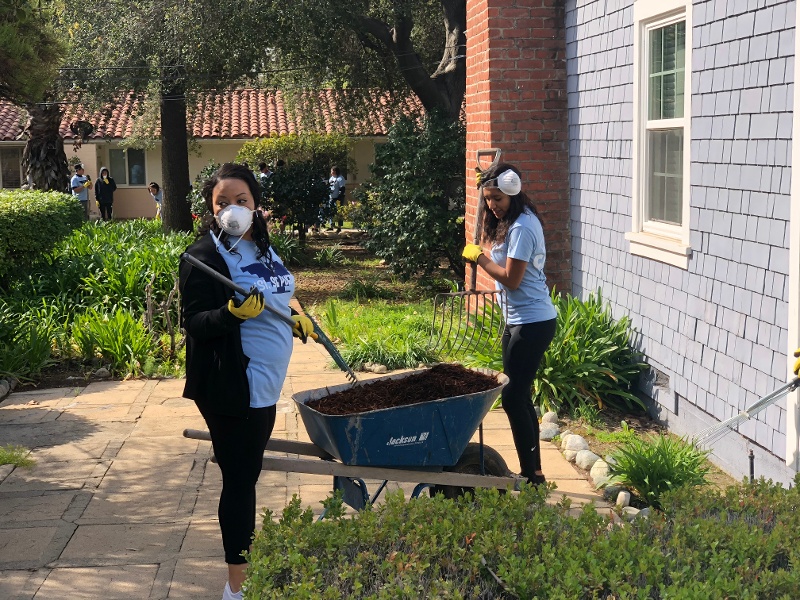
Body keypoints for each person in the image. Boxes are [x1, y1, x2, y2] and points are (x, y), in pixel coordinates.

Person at [178, 163, 314, 600]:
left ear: (256, 206)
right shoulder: (204, 257)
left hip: (266, 383)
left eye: (241, 201)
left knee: (246, 473)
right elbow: (195, 322)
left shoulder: (263, 247)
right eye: (222, 203)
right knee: (240, 480)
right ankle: (236, 588)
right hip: (234, 386)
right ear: (210, 209)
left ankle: (242, 578)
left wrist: (294, 317)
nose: (232, 209)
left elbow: (274, 291)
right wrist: (230, 314)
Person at [461, 162, 557, 487]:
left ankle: (532, 475)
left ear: (513, 194)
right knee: (518, 395)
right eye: (488, 198)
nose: (492, 205)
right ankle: (535, 473)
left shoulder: (522, 228)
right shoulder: (511, 222)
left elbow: (512, 280)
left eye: (498, 198)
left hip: (533, 322)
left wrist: (479, 259)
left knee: (514, 398)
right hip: (517, 320)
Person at [326, 166, 345, 233]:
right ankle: (331, 225)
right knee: (331, 212)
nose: (331, 172)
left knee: (339, 212)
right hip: (331, 197)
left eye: (332, 171)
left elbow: (342, 188)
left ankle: (339, 227)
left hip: (338, 198)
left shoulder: (340, 178)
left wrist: (339, 197)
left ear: (335, 171)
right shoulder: (331, 178)